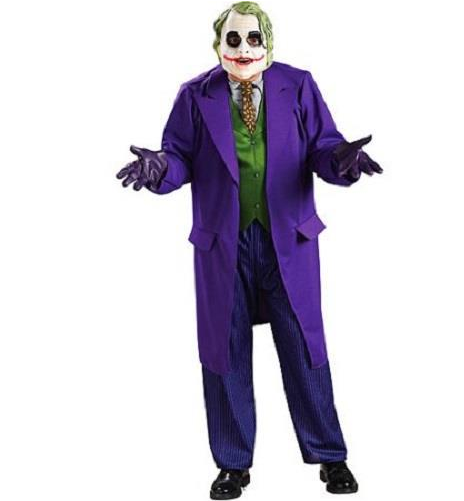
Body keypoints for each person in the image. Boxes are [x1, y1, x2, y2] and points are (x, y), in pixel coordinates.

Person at [116, 2, 382, 498]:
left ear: (268, 42)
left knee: (304, 348)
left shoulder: (297, 85)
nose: (243, 49)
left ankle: (330, 456)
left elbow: (324, 146)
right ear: (218, 44)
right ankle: (233, 464)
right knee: (225, 350)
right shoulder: (195, 95)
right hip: (223, 244)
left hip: (289, 241)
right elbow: (179, 157)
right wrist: (159, 169)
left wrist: (342, 161)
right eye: (233, 39)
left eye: (253, 38)